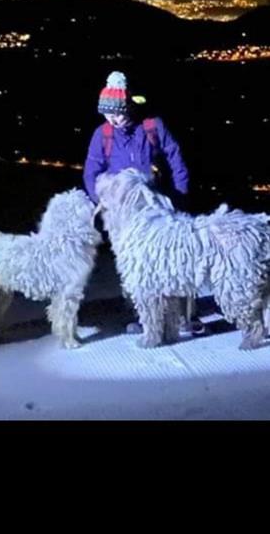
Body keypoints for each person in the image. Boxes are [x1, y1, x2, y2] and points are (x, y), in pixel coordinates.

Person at [83, 70, 204, 336]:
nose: (113, 118)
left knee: (175, 258)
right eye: (107, 113)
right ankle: (142, 314)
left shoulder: (151, 126)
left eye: (117, 112)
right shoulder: (102, 135)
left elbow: (175, 159)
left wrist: (180, 195)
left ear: (128, 106)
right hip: (125, 215)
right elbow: (91, 171)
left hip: (159, 207)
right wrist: (104, 203)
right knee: (133, 264)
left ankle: (187, 314)